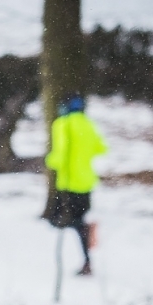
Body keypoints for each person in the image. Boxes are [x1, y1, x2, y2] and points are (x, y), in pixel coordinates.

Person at [44, 93, 108, 277]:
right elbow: (101, 148)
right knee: (77, 218)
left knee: (71, 221)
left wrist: (50, 161)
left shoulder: (62, 124)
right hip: (86, 181)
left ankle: (87, 254)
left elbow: (60, 154)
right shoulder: (88, 124)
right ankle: (88, 251)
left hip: (69, 182)